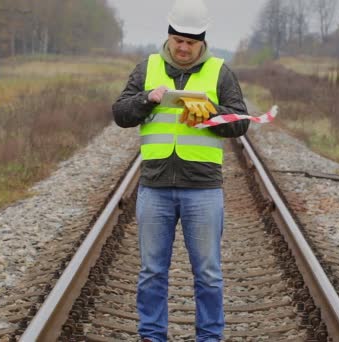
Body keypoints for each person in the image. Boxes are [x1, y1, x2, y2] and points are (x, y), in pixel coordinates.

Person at [112, 0, 249, 340]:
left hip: (202, 189)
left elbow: (240, 122)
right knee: (151, 272)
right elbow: (120, 113)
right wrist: (147, 99)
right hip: (155, 187)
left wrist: (211, 111)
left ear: (202, 41)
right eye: (178, 41)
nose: (184, 48)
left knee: (208, 274)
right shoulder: (147, 68)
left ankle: (209, 337)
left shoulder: (220, 72)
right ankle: (152, 336)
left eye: (191, 42)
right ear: (169, 36)